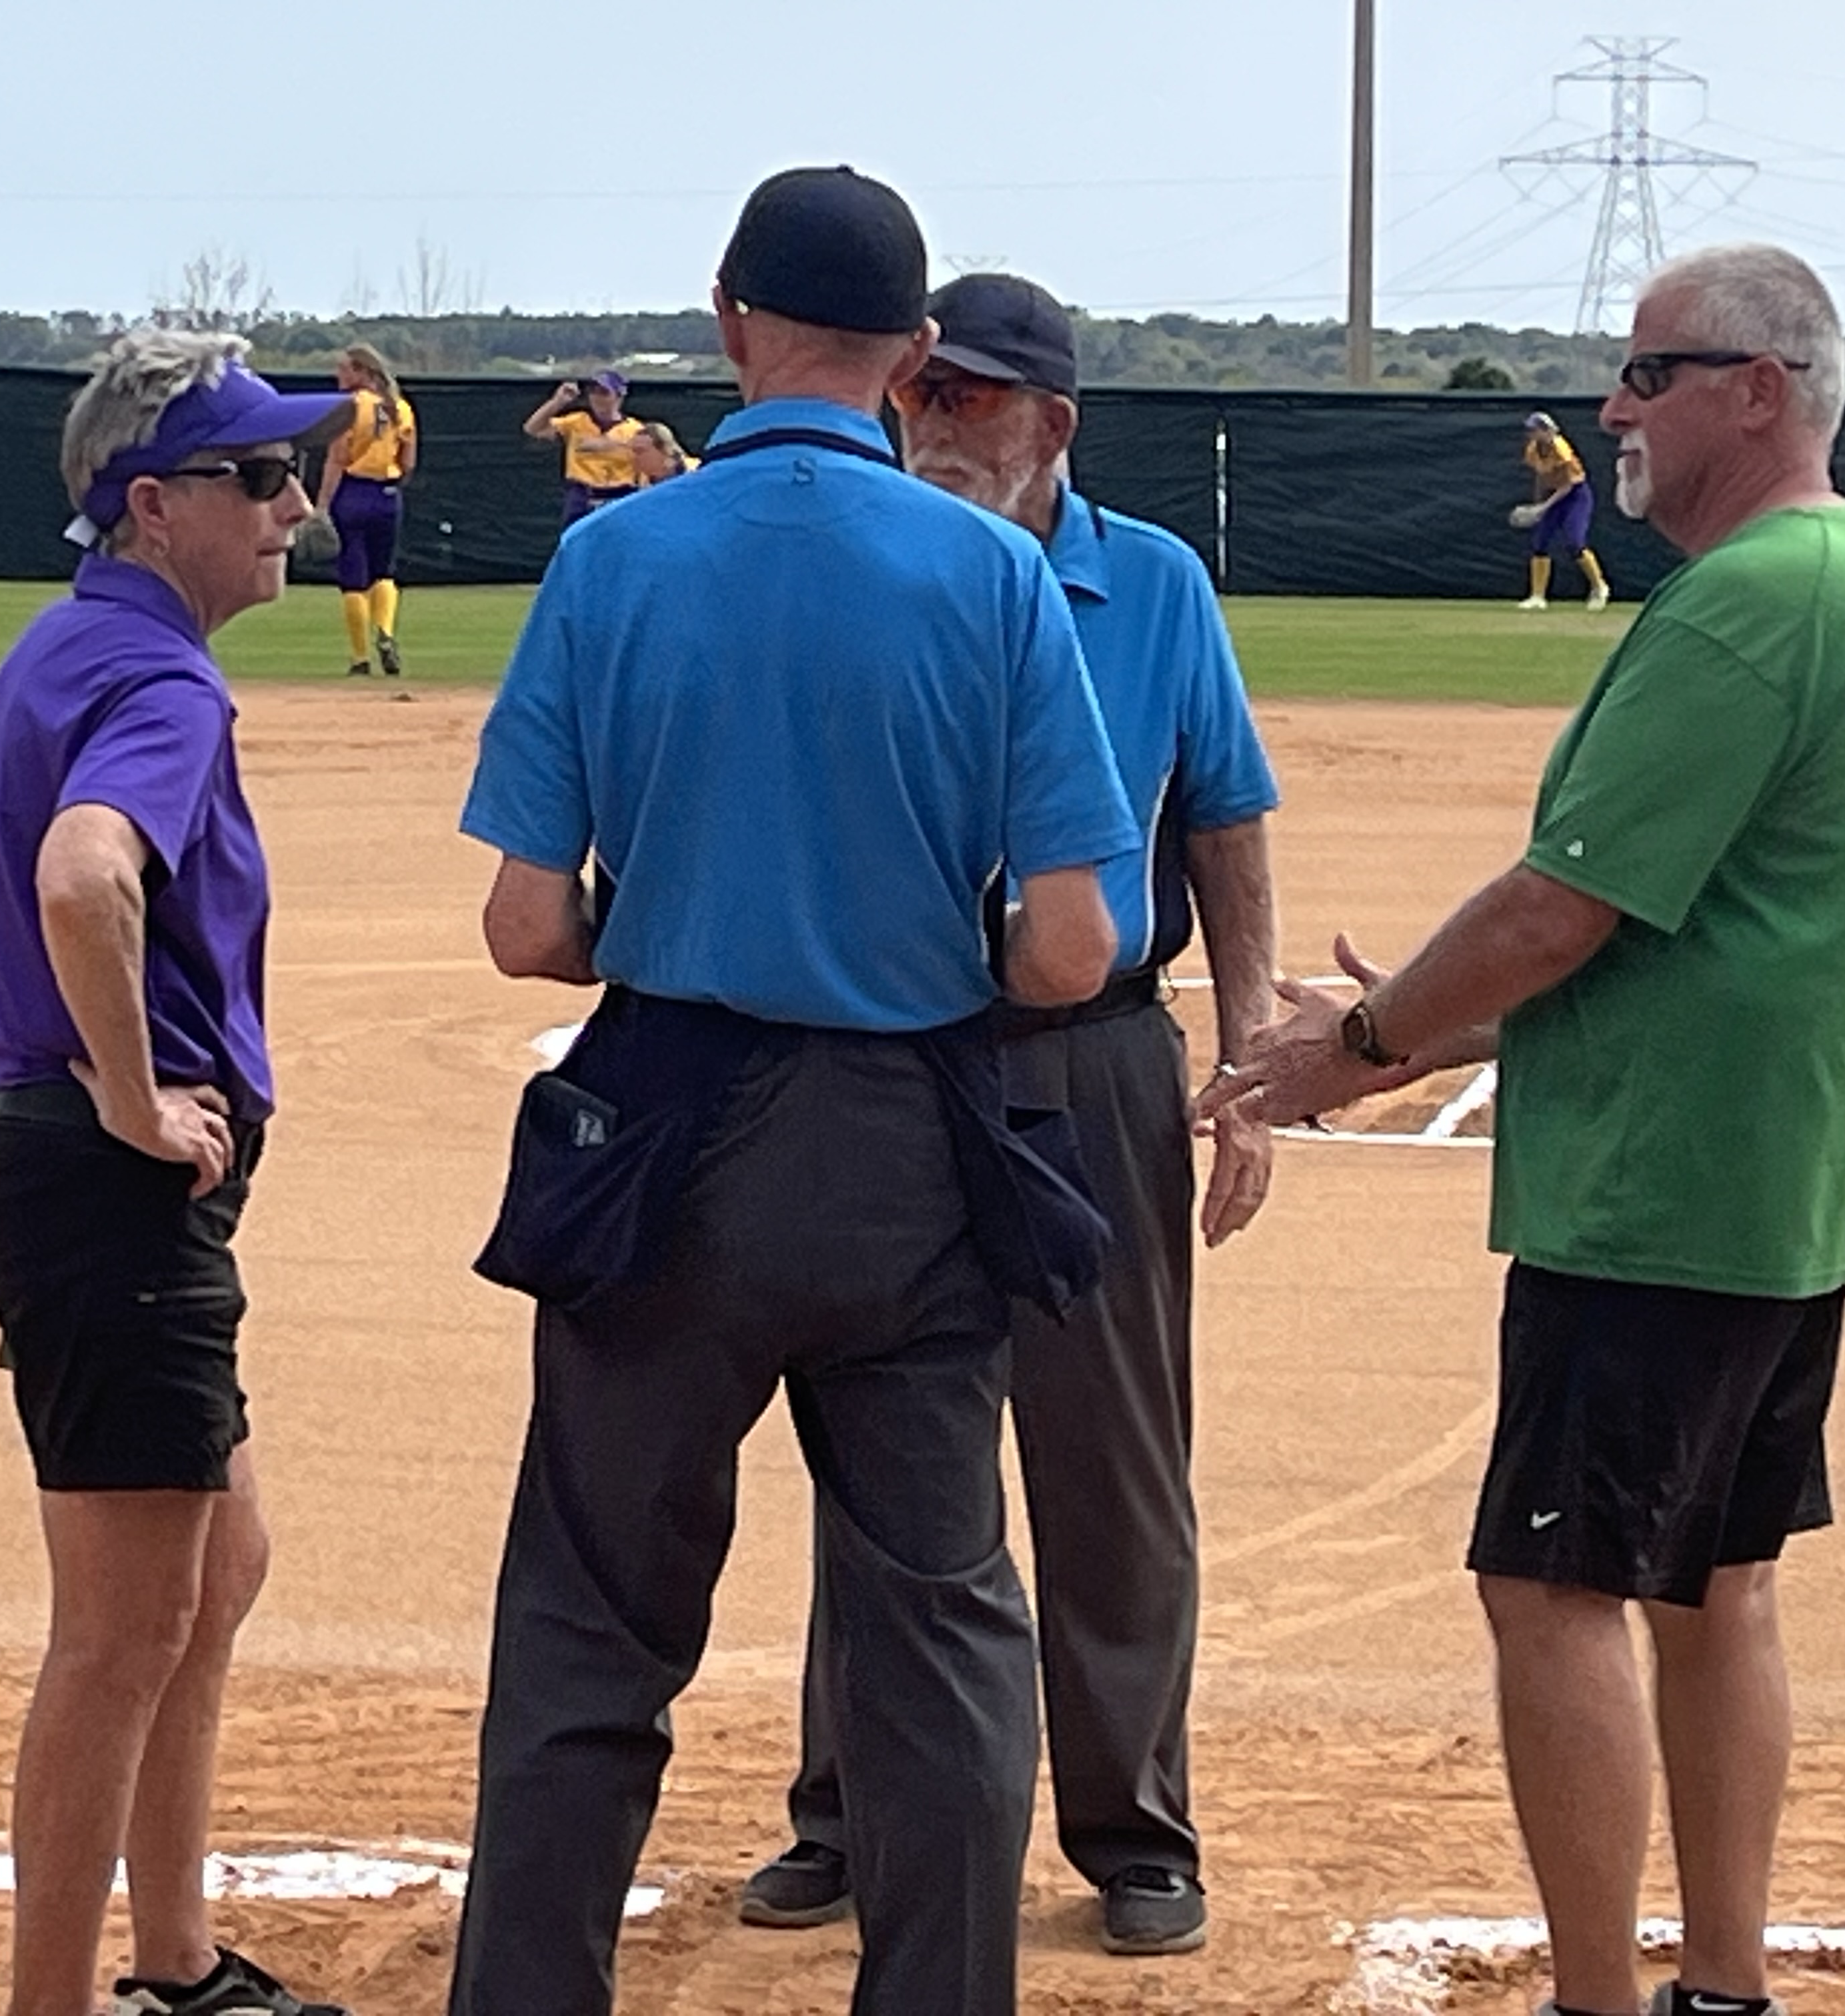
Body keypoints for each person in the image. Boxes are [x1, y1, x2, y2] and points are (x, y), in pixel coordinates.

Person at [1199, 245, 1845, 2016]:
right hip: (1785, 1181)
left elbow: (1569, 905)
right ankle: (1719, 1986)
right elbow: (1690, 925)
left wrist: (1368, 1041)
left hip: (1659, 1192)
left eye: (1652, 374)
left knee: (1550, 1589)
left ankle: (1599, 2003)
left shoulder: (1751, 603)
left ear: (1761, 392)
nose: (1616, 410)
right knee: (1716, 1584)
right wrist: (1426, 1021)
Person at [445, 167, 1138, 2016]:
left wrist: (652, 914)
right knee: (940, 1636)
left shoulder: (613, 555)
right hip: (912, 1142)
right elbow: (1074, 949)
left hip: (661, 1131)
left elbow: (525, 924)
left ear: (730, 319)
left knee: (591, 1631)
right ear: (915, 360)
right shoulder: (993, 571)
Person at [737, 271, 1281, 1959]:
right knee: (882, 1445)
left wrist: (1248, 1046)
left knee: (1110, 1453)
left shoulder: (1157, 587)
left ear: (1053, 422)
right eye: (923, 393)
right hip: (898, 1044)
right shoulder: (869, 561)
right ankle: (850, 1808)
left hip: (1090, 1051)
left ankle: (1135, 1830)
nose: (937, 424)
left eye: (973, 400)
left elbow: (1225, 817)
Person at [0, 330, 355, 2016]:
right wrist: (131, 1099)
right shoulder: (165, 682)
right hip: (105, 1183)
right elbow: (82, 873)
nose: (295, 507)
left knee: (219, 1566)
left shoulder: (71, 649)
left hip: (71, 1182)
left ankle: (180, 1965)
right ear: (147, 507)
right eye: (255, 479)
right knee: (116, 1635)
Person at [313, 341, 417, 676]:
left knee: (353, 579)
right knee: (383, 572)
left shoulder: (350, 407)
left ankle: (360, 658)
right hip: (387, 494)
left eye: (343, 368)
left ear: (361, 371)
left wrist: (322, 506)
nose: (337, 374)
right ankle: (385, 633)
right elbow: (409, 461)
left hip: (353, 492)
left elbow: (337, 459)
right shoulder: (400, 407)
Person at [520, 367, 651, 523]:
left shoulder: (635, 429)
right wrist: (557, 402)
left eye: (604, 393)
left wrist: (611, 445)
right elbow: (533, 429)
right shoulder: (577, 421)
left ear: (619, 396)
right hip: (583, 495)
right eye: (593, 392)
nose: (597, 398)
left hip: (620, 495)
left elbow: (649, 466)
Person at [1514, 410, 1610, 612]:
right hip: (1553, 496)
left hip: (1576, 496)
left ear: (1547, 431)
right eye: (1530, 430)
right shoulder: (1532, 450)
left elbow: (1567, 485)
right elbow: (1540, 478)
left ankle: (1599, 587)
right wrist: (1536, 504)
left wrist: (1543, 507)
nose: (1531, 434)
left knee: (1575, 541)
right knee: (1540, 543)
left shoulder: (1560, 448)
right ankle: (1538, 597)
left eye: (1536, 430)